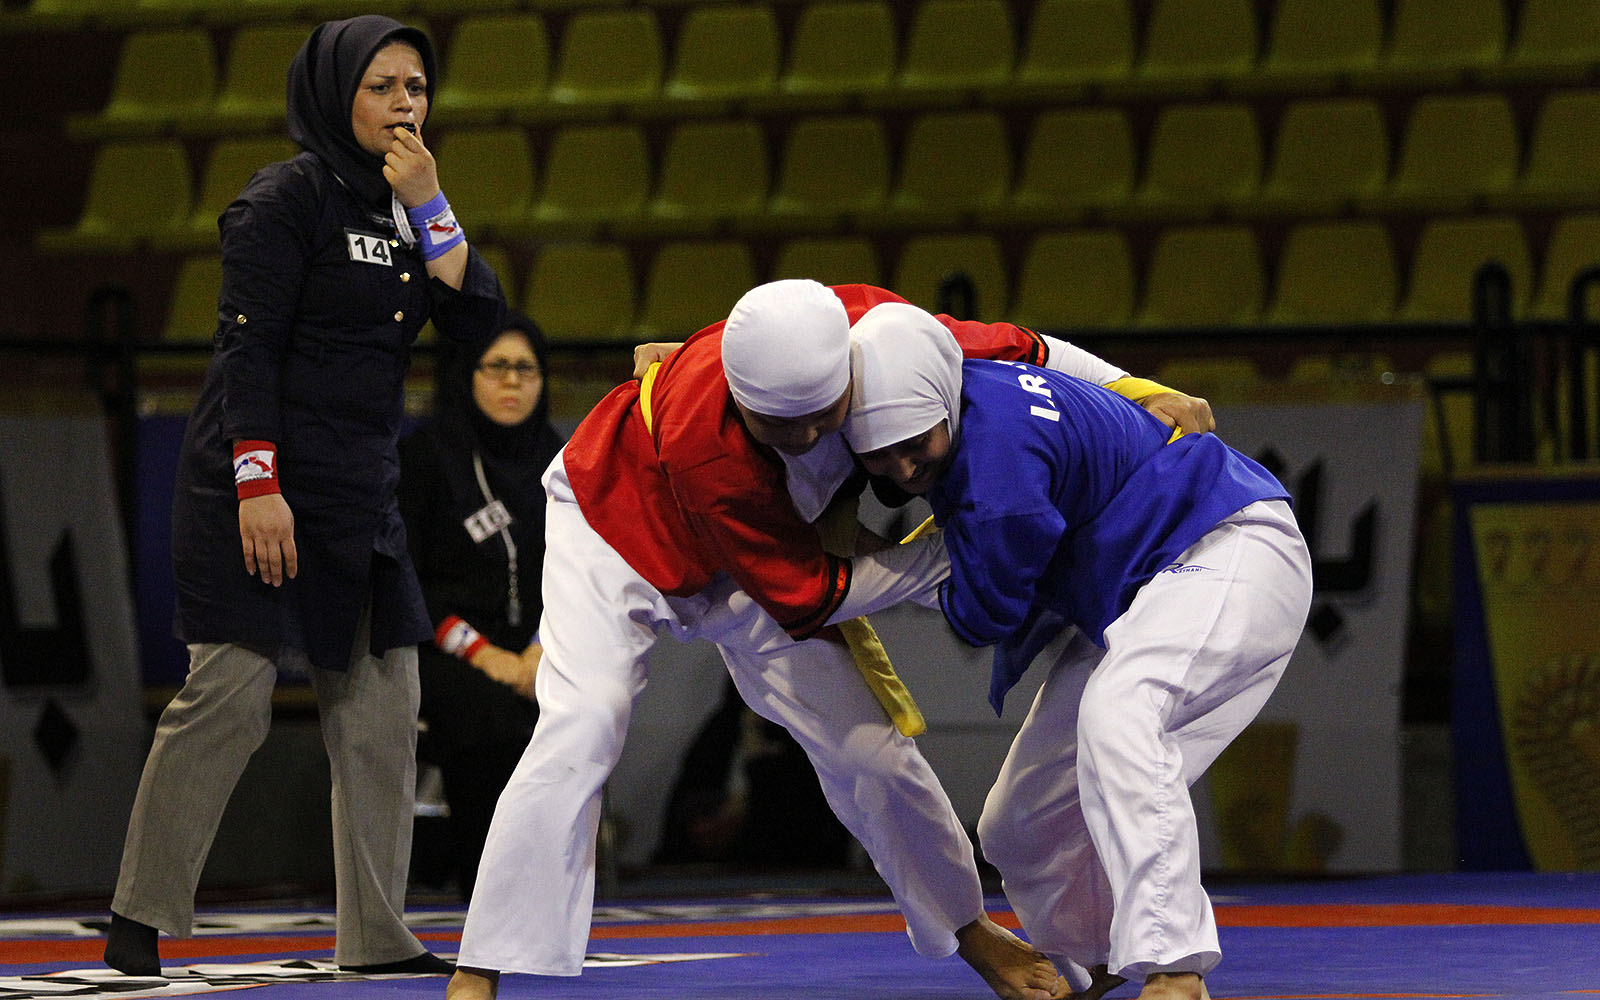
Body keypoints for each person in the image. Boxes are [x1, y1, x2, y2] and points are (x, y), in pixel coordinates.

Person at [447, 279, 1214, 1000]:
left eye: (826, 414)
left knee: (867, 752)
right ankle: (481, 967)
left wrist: (1140, 390)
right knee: (585, 719)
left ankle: (967, 926)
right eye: (784, 428)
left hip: (772, 551)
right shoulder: (708, 447)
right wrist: (948, 547)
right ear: (743, 401)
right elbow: (814, 595)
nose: (813, 434)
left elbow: (1022, 346)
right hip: (614, 525)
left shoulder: (875, 332)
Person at [104, 15, 505, 977]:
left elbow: (478, 321)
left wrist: (435, 203)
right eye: (383, 88)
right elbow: (247, 347)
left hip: (356, 495)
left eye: (417, 88)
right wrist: (257, 484)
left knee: (381, 706)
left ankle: (376, 936)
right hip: (258, 482)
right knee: (231, 699)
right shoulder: (285, 199)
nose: (406, 107)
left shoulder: (409, 209)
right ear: (334, 93)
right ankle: (137, 918)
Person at [842, 303, 1314, 1000]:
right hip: (1138, 594)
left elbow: (982, 615)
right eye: (879, 454)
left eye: (917, 442)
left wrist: (845, 570)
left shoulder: (1000, 465)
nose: (903, 466)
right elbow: (1032, 344)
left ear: (943, 403)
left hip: (1227, 544)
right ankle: (1094, 958)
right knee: (1020, 823)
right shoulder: (953, 368)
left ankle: (1174, 968)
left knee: (1124, 713)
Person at [399, 312, 562, 900]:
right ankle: (490, 887)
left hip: (545, 645)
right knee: (488, 716)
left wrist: (542, 649)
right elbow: (408, 581)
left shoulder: (563, 462)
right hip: (446, 644)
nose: (512, 382)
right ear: (467, 374)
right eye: (497, 368)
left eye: (526, 369)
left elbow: (583, 575)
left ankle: (557, 882)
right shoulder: (427, 458)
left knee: (581, 703)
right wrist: (485, 653)